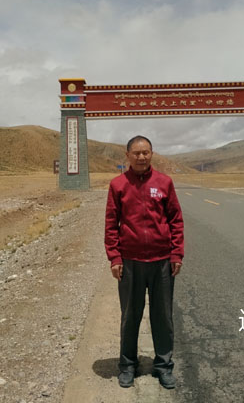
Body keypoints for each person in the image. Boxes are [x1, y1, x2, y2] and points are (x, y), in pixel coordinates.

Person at [104, 135, 184, 389]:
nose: (141, 157)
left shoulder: (164, 182)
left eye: (145, 152)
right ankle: (128, 365)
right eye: (136, 153)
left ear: (152, 154)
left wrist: (176, 253)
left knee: (163, 317)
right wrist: (114, 257)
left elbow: (176, 219)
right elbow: (111, 224)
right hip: (130, 262)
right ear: (127, 155)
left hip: (162, 262)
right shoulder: (118, 185)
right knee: (130, 316)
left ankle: (163, 366)